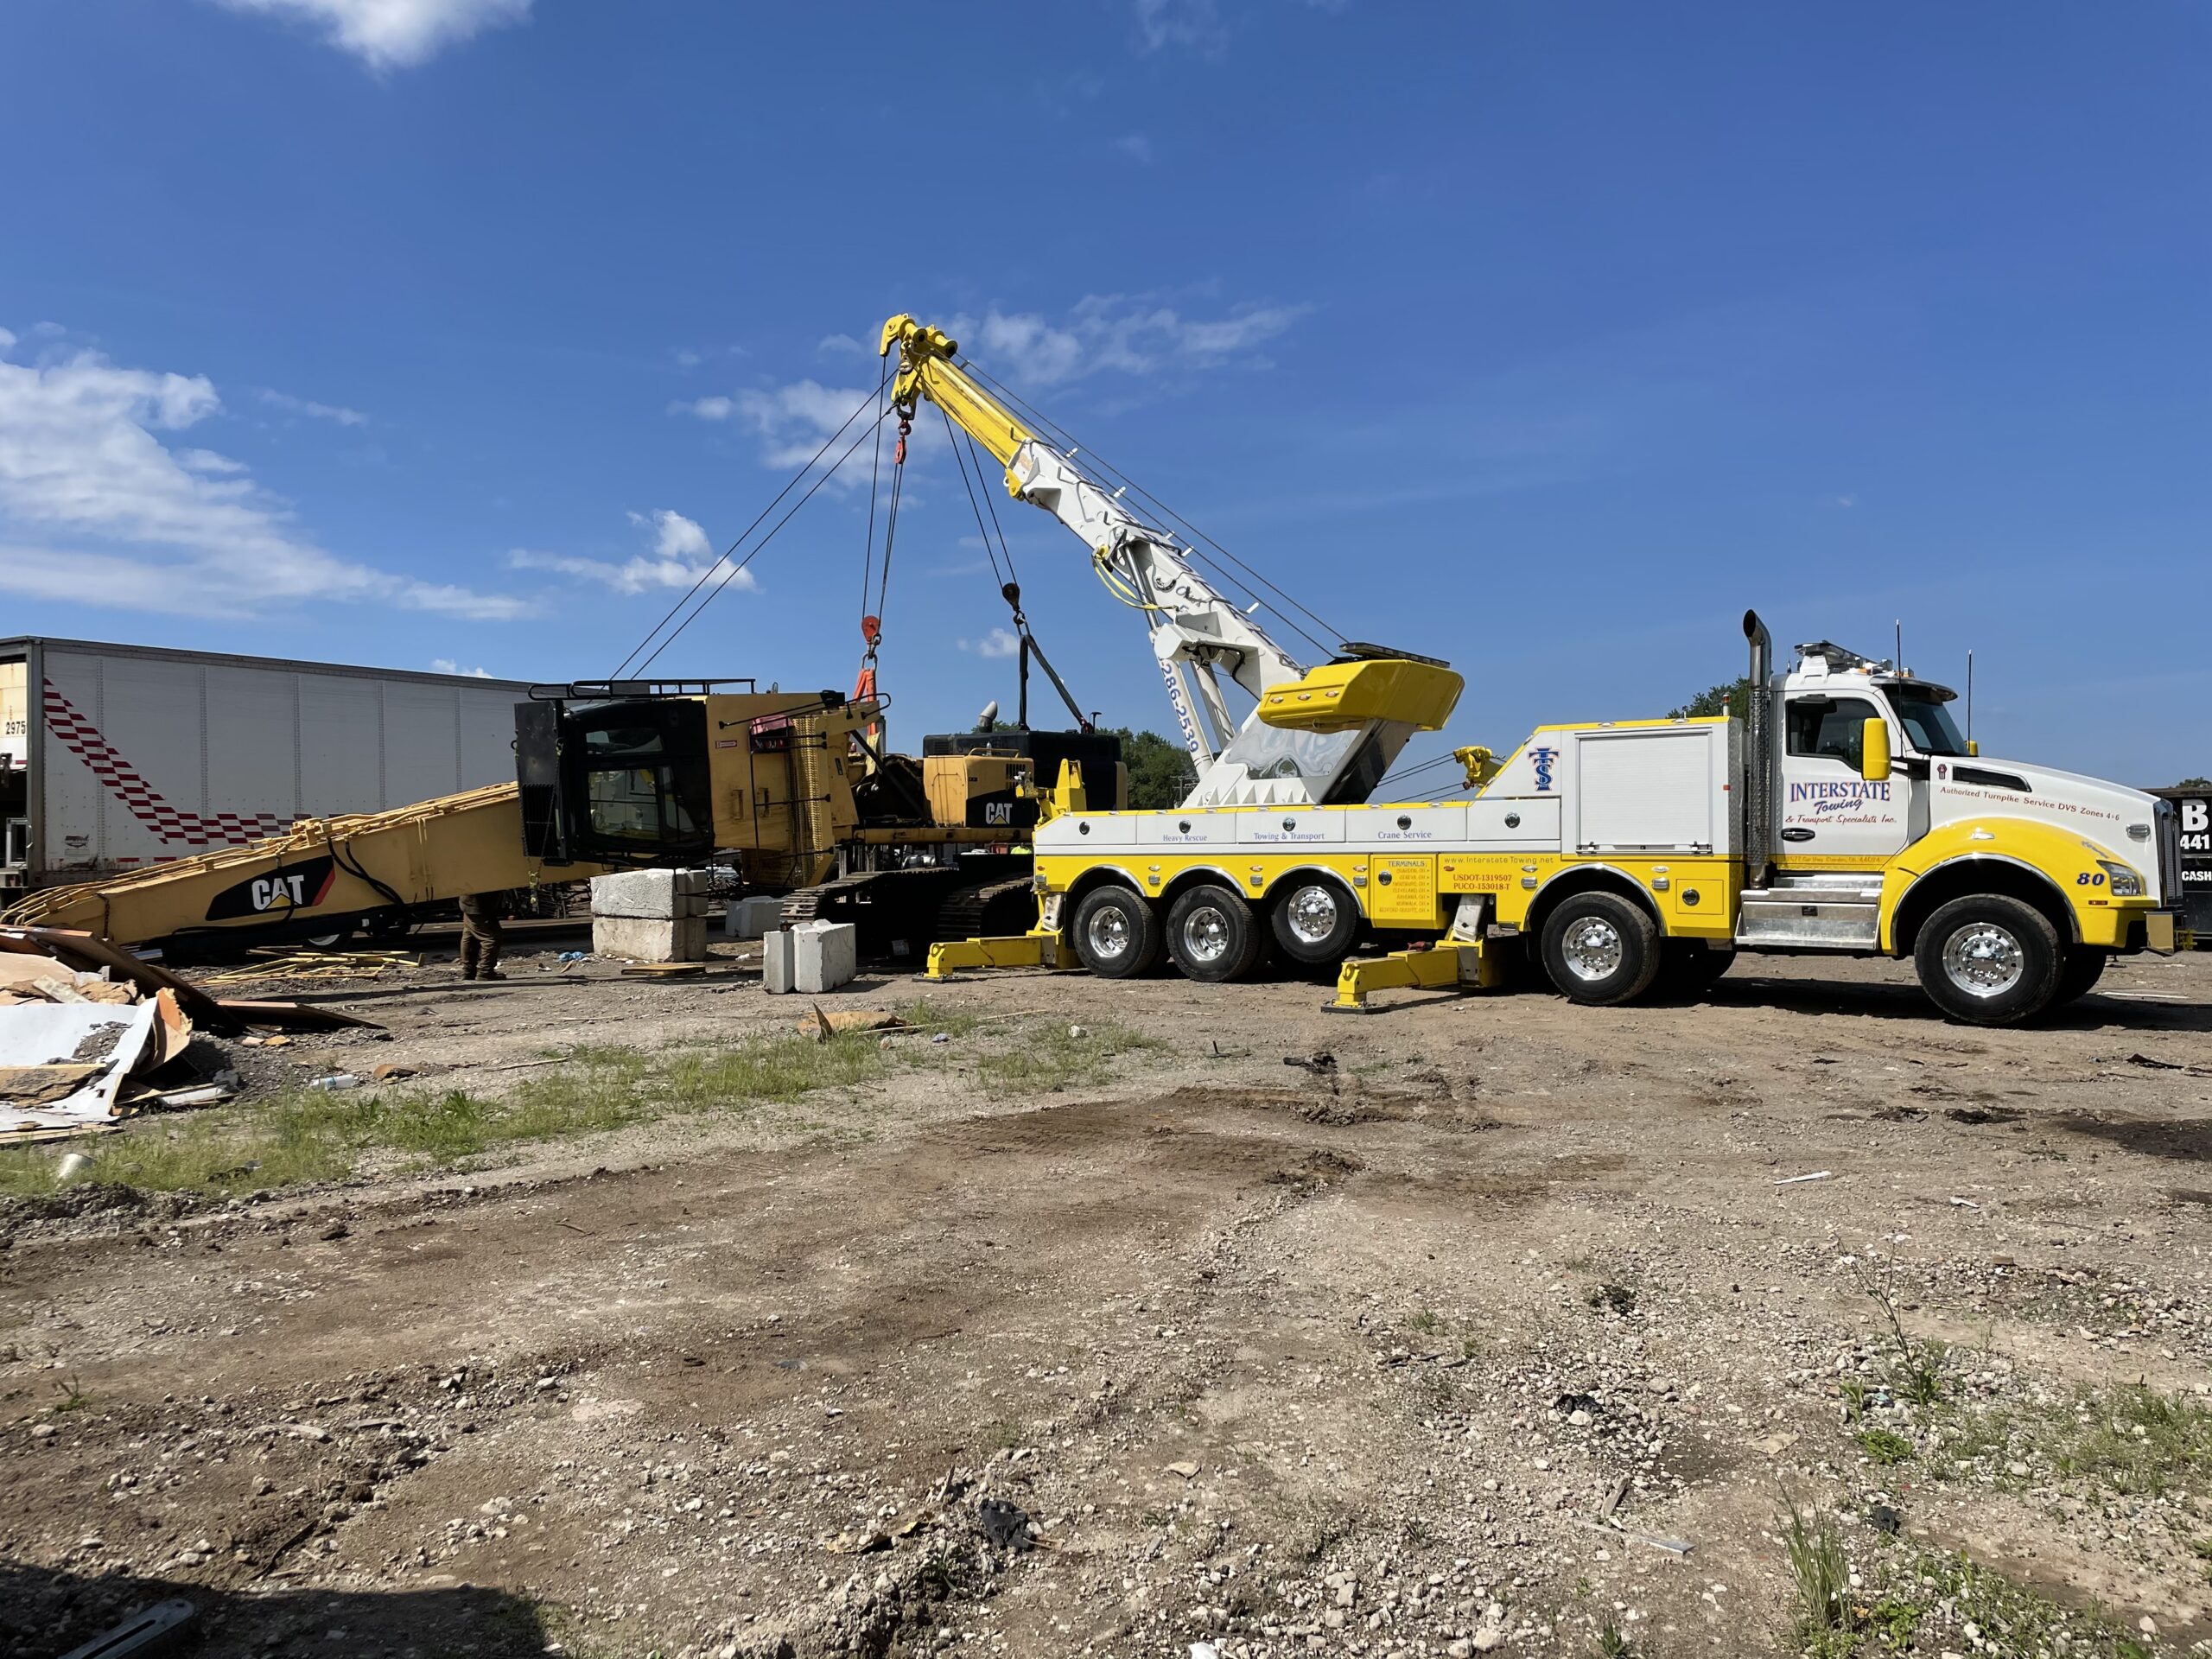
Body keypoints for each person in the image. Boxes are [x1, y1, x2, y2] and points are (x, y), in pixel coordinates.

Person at [458, 890, 509, 981]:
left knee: (470, 934)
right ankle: (485, 971)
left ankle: (468, 971)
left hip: (468, 899)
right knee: (491, 938)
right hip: (480, 903)